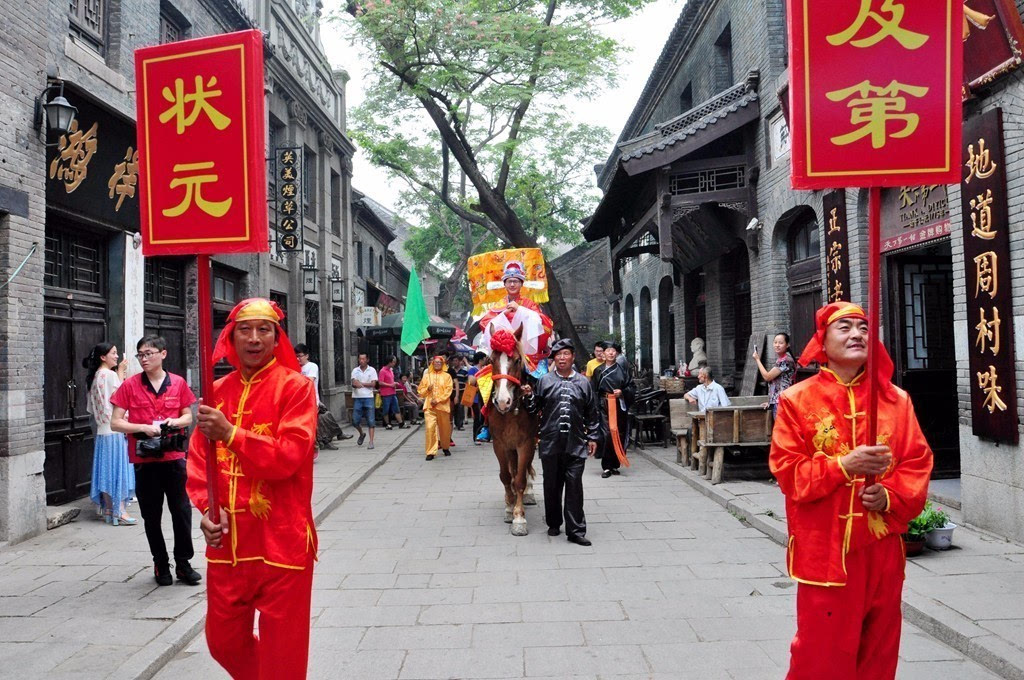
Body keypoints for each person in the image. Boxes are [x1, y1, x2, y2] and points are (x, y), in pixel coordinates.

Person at [770, 301, 933, 680]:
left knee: (879, 648)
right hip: (824, 549)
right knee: (820, 651)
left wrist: (890, 495)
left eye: (862, 327)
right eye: (844, 328)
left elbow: (916, 462)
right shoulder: (797, 401)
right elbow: (788, 472)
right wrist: (844, 466)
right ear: (822, 343)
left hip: (880, 549)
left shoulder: (896, 400)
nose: (857, 334)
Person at [186, 297, 319, 680]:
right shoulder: (217, 392)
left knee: (284, 653)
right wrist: (206, 510)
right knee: (222, 641)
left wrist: (232, 433)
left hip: (282, 538)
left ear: (278, 340)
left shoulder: (295, 389)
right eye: (245, 330)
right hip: (228, 543)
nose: (255, 338)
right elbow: (198, 462)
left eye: (265, 330)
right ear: (230, 338)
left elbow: (289, 456)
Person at [110, 335, 199, 586]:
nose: (144, 358)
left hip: (174, 458)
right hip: (145, 459)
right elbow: (115, 422)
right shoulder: (130, 386)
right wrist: (142, 427)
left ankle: (183, 563)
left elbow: (187, 416)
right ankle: (160, 563)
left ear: (163, 353)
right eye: (141, 354)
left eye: (149, 353)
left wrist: (175, 422)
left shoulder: (178, 383)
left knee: (181, 512)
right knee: (151, 515)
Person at [522, 338, 600, 546]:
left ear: (573, 357)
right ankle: (554, 522)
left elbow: (592, 412)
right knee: (552, 484)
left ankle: (576, 530)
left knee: (574, 486)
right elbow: (533, 410)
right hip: (550, 442)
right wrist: (529, 397)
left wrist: (592, 436)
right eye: (558, 355)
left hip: (575, 442)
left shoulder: (584, 382)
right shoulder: (545, 381)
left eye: (566, 354)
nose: (562, 358)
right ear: (554, 359)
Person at [83, 343, 136, 526]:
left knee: (106, 471)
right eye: (113, 353)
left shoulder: (94, 377)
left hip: (102, 432)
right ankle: (119, 510)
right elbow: (120, 398)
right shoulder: (111, 375)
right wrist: (121, 372)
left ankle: (107, 509)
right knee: (118, 471)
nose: (116, 356)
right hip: (115, 430)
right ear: (103, 357)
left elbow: (91, 408)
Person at [478, 261, 553, 364]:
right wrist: (504, 314)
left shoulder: (529, 304)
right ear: (504, 284)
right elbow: (485, 324)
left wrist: (520, 310)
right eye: (509, 281)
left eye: (515, 281)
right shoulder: (498, 306)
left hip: (525, 352)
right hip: (503, 351)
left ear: (521, 283)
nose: (512, 284)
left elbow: (544, 322)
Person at [295, 344, 351, 452]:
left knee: (315, 423)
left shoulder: (312, 366)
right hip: (299, 403)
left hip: (311, 401)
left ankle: (321, 443)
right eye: (296, 356)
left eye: (300, 356)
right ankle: (323, 442)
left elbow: (309, 381)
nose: (298, 359)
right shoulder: (295, 367)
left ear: (307, 356)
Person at [593, 341, 635, 479]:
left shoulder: (623, 370)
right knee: (607, 434)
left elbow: (632, 387)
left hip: (618, 405)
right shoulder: (598, 371)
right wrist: (595, 407)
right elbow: (593, 390)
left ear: (616, 353)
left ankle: (614, 465)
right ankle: (606, 466)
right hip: (604, 405)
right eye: (608, 350)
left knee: (618, 434)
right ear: (603, 353)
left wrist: (622, 392)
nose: (611, 353)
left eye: (613, 350)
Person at [418, 355, 453, 461]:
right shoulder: (427, 376)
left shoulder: (447, 376)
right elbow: (420, 391)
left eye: (439, 362)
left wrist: (438, 400)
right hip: (429, 406)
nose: (437, 364)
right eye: (435, 362)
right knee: (430, 428)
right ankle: (430, 452)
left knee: (445, 429)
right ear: (432, 363)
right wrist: (428, 389)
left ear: (443, 364)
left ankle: (445, 447)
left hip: (442, 406)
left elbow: (448, 391)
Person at [753, 332, 795, 418]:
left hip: (783, 402)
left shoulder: (785, 361)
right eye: (775, 342)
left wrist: (757, 359)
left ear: (787, 345)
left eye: (781, 343)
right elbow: (777, 384)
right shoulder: (781, 359)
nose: (777, 345)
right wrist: (770, 401)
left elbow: (767, 377)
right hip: (778, 401)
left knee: (782, 430)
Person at [350, 353, 377, 449]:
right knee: (355, 420)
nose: (361, 361)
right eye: (360, 359)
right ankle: (361, 433)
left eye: (363, 359)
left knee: (370, 420)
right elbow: (353, 383)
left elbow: (373, 384)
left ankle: (371, 441)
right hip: (357, 397)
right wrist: (357, 384)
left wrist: (360, 383)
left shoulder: (372, 370)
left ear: (367, 360)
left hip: (369, 397)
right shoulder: (355, 370)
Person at [377, 356, 406, 430]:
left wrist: (394, 383)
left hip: (392, 392)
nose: (394, 363)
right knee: (386, 409)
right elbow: (380, 382)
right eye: (393, 362)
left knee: (396, 408)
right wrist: (390, 385)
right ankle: (387, 423)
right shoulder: (382, 371)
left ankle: (400, 423)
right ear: (389, 362)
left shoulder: (391, 370)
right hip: (386, 393)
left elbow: (390, 380)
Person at [466, 352, 489, 444]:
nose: (485, 361)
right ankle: (476, 437)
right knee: (477, 418)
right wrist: (481, 375)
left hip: (485, 396)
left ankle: (482, 435)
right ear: (480, 360)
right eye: (484, 359)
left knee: (483, 417)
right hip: (476, 397)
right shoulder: (473, 369)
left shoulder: (485, 369)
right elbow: (471, 381)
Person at [454, 356, 469, 430]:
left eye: (456, 361)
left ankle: (460, 424)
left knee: (461, 407)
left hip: (462, 391)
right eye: (454, 361)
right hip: (453, 391)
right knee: (455, 408)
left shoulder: (464, 372)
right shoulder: (451, 371)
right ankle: (456, 423)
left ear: (459, 362)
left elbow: (467, 382)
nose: (455, 362)